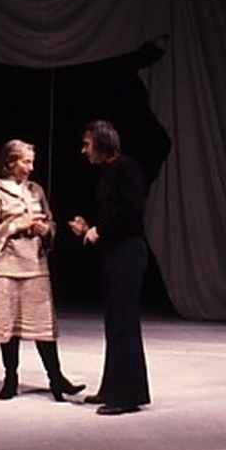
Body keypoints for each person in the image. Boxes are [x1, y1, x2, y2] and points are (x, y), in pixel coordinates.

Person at [0, 139, 85, 402]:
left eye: (32, 162)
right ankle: (10, 378)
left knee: (43, 325)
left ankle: (56, 378)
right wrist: (18, 225)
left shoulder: (36, 190)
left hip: (34, 265)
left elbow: (50, 222)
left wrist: (45, 229)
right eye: (26, 162)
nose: (31, 167)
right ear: (10, 162)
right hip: (5, 266)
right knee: (9, 325)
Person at [68, 120, 151, 415]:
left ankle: (126, 397)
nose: (83, 150)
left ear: (102, 144)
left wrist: (99, 230)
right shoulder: (109, 172)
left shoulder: (126, 168)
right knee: (114, 323)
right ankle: (112, 388)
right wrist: (89, 228)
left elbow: (130, 213)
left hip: (129, 253)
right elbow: (113, 216)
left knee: (123, 323)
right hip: (117, 253)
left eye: (87, 144)